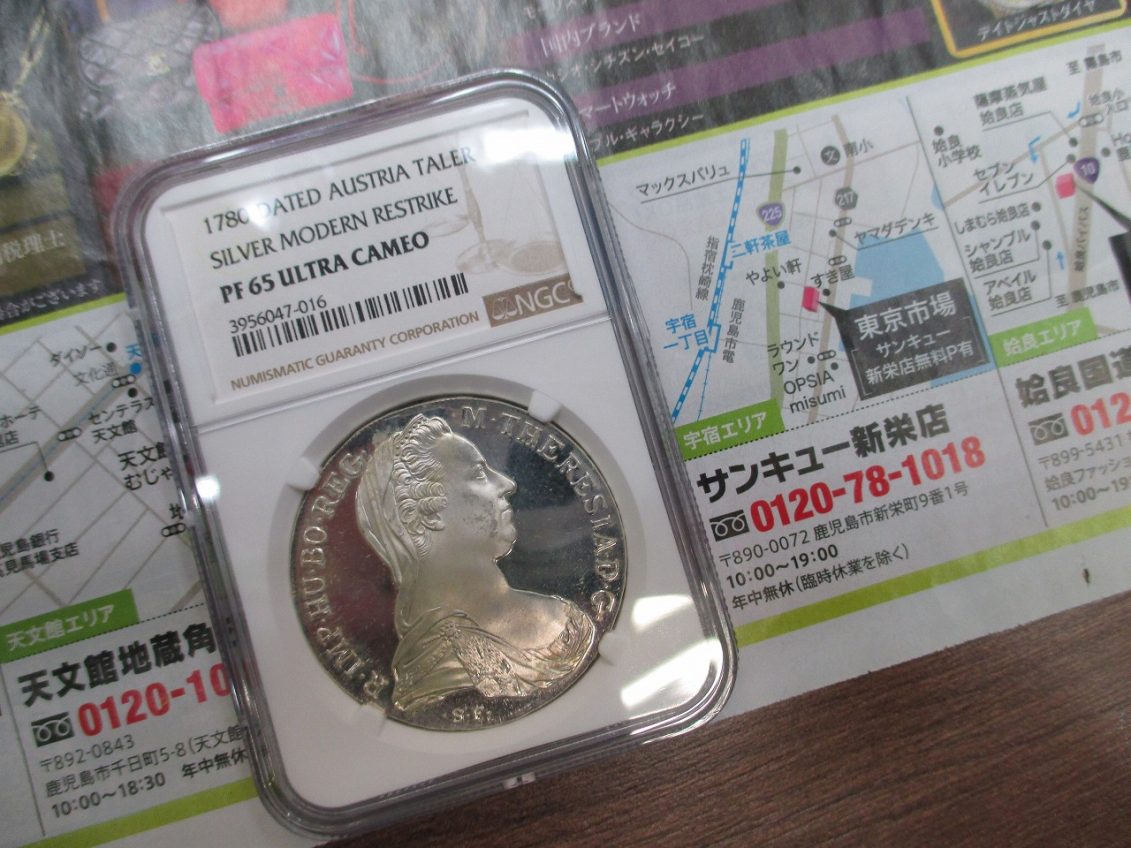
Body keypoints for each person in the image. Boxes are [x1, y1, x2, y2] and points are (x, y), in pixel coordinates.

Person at [355, 413, 595, 719]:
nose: (507, 483)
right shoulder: (434, 670)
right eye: (480, 474)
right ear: (427, 513)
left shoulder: (566, 622)